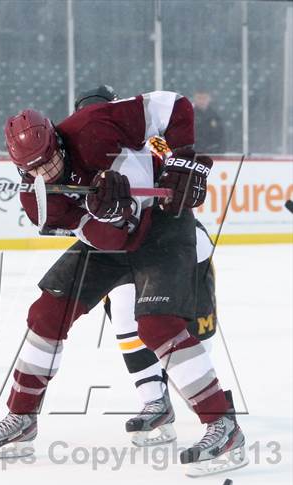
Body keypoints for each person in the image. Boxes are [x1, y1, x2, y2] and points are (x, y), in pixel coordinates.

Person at [0, 90, 247, 476]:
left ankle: (223, 423)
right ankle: (22, 417)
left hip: (164, 224)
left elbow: (175, 105)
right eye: (33, 170)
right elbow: (108, 240)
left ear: (56, 140)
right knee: (46, 315)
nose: (46, 174)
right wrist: (112, 218)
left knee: (157, 325)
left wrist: (183, 158)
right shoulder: (37, 199)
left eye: (49, 161)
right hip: (112, 240)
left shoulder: (94, 124)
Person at [74, 86, 218, 447]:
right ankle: (155, 401)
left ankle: (208, 403)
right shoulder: (79, 160)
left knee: (194, 331)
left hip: (173, 244)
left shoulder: (149, 143)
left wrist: (176, 177)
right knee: (124, 315)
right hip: (124, 250)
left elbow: (182, 181)